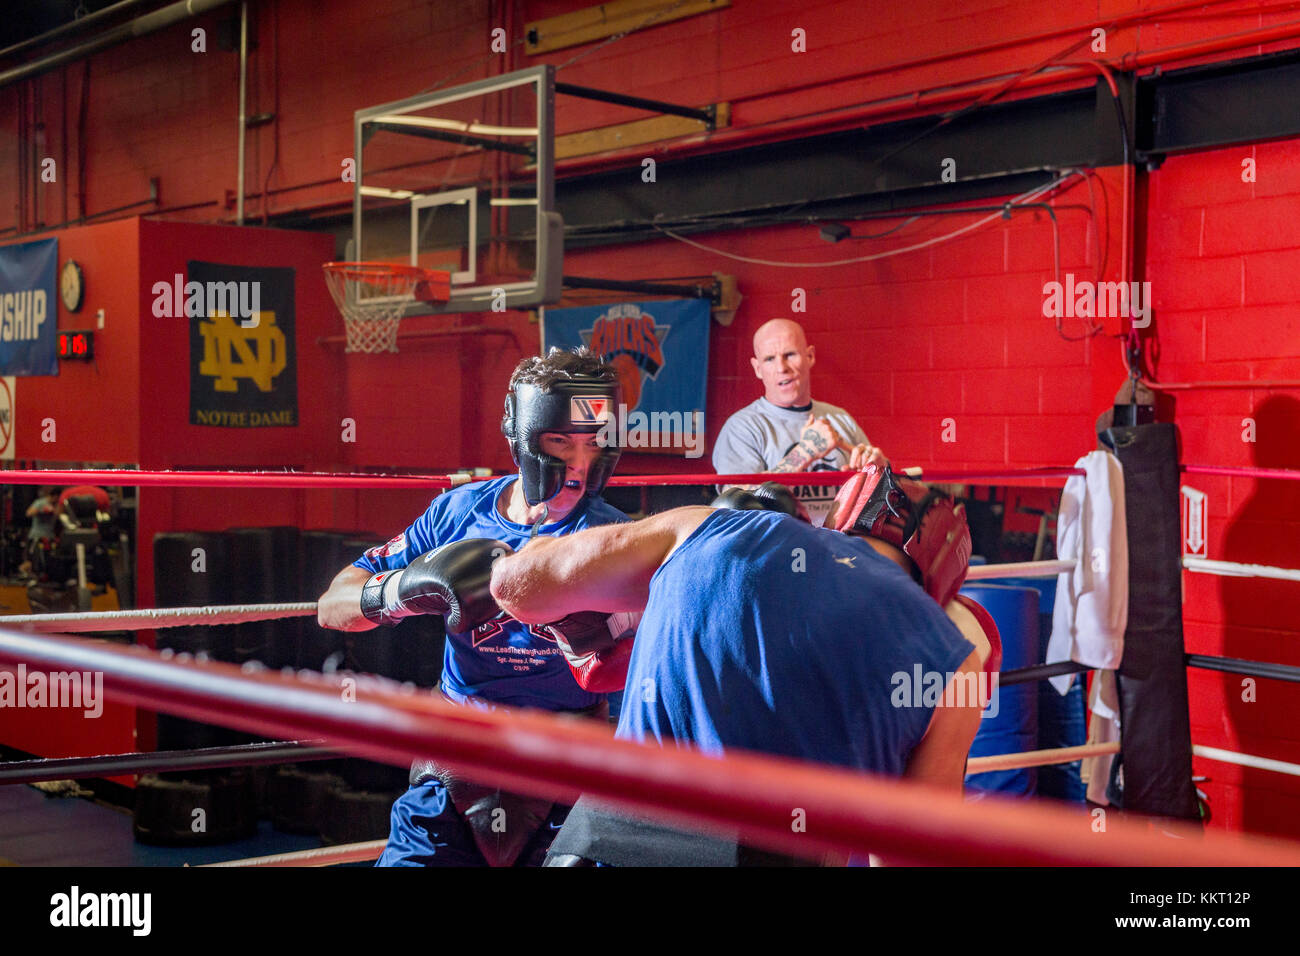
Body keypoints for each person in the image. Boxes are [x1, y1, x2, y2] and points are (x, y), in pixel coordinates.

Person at [399, 465, 997, 865]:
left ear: (847, 514)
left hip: (608, 845)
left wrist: (579, 612)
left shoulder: (707, 525)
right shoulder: (958, 660)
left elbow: (517, 587)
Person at [316, 346, 629, 867]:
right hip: (457, 762)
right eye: (560, 441)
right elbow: (333, 605)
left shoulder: (616, 539)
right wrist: (401, 591)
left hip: (566, 773)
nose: (579, 466)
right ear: (523, 437)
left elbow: (659, 664)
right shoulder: (459, 513)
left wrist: (599, 638)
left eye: (595, 443)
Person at [713, 318, 886, 525]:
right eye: (769, 359)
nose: (781, 367)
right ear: (758, 368)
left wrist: (879, 471)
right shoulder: (742, 427)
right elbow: (737, 503)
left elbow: (884, 498)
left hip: (842, 547)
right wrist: (804, 452)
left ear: (810, 356)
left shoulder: (840, 419)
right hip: (778, 549)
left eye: (790, 355)